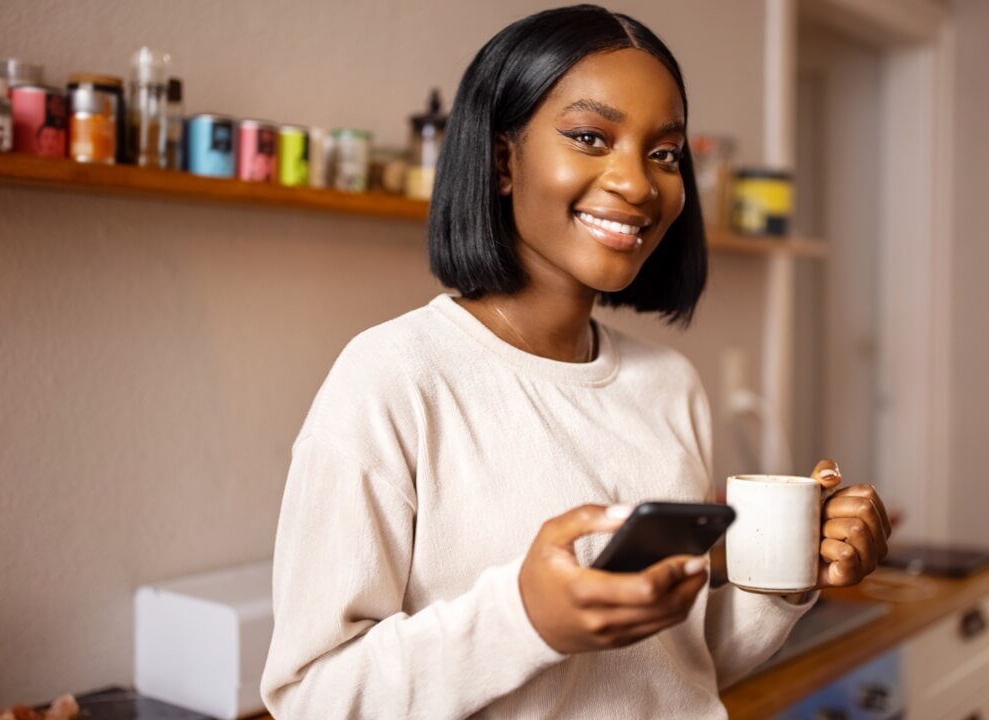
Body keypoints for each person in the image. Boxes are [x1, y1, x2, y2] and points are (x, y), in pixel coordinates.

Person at [260, 5, 891, 718]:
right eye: (590, 137)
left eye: (663, 153)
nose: (639, 183)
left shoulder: (670, 386)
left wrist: (788, 570)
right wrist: (524, 621)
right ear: (503, 161)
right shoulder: (393, 378)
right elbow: (310, 697)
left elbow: (678, 667)